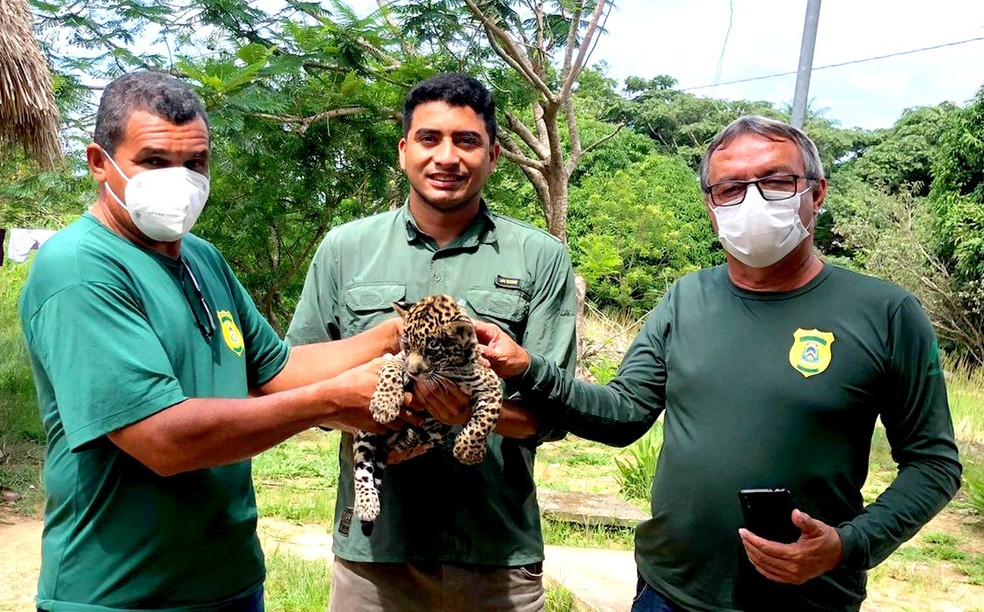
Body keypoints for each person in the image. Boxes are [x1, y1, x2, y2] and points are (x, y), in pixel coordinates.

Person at [474, 115, 963, 611]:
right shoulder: (687, 298)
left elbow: (933, 464)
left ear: (816, 193)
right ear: (710, 205)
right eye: (730, 188)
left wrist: (847, 545)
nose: (752, 200)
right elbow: (622, 414)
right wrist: (527, 367)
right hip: (667, 591)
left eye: (775, 181)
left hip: (809, 600)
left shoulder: (886, 313)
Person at [19, 71, 408, 611]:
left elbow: (279, 369)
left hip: (229, 582)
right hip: (121, 594)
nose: (178, 180)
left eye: (194, 163)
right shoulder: (80, 269)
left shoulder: (201, 258)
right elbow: (164, 442)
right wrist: (334, 399)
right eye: (154, 161)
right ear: (97, 162)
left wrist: (395, 333)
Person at [286, 72, 577, 611]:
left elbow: (550, 414)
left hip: (495, 553)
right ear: (403, 151)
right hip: (375, 554)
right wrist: (378, 401)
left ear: (492, 155)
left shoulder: (539, 257)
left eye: (466, 141)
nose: (447, 157)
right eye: (429, 139)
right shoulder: (344, 249)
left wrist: (468, 410)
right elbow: (297, 375)